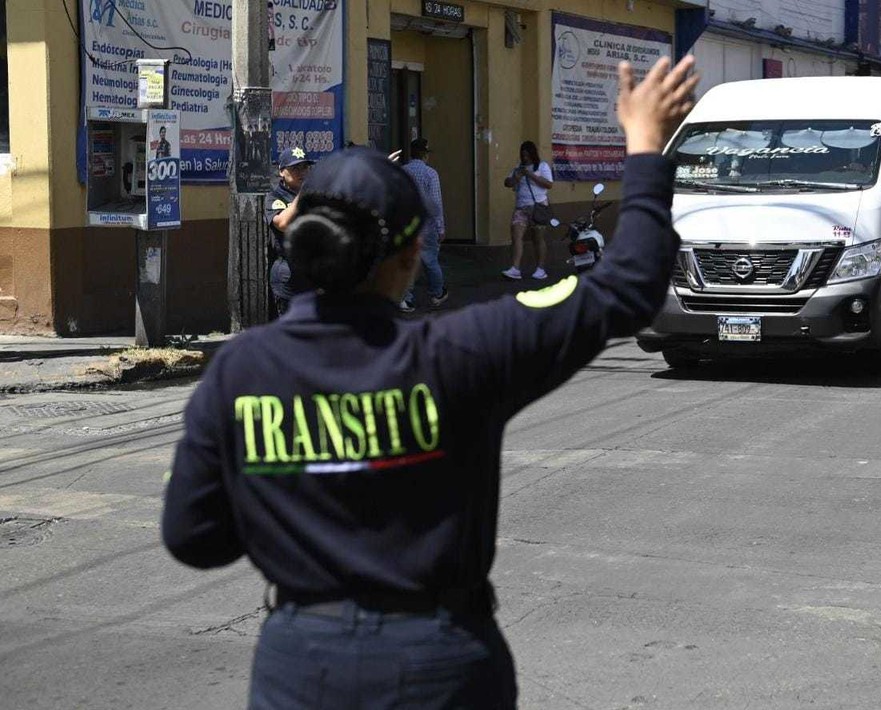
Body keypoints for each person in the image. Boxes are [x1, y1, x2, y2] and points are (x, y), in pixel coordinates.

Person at [161, 54, 700, 708]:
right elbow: (629, 285)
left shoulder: (238, 372)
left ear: (292, 238)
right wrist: (645, 145)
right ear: (412, 256)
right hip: (441, 667)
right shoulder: (463, 349)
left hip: (303, 668)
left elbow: (196, 539)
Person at [397, 138, 448, 312]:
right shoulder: (431, 174)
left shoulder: (402, 171)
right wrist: (441, 227)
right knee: (431, 261)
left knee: (408, 261)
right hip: (427, 225)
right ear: (425, 154)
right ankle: (437, 293)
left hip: (407, 223)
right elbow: (435, 203)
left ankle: (405, 298)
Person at [265, 147, 315, 317]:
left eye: (305, 167)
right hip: (288, 273)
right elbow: (283, 223)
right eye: (295, 168)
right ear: (281, 171)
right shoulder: (275, 198)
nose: (302, 173)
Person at [501, 141, 554, 280]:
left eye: (527, 154)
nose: (525, 157)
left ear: (533, 154)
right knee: (516, 237)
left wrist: (531, 175)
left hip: (538, 207)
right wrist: (515, 178)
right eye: (523, 155)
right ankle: (515, 268)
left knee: (538, 238)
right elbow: (507, 183)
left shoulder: (542, 166)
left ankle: (540, 269)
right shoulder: (518, 167)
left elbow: (549, 184)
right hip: (521, 208)